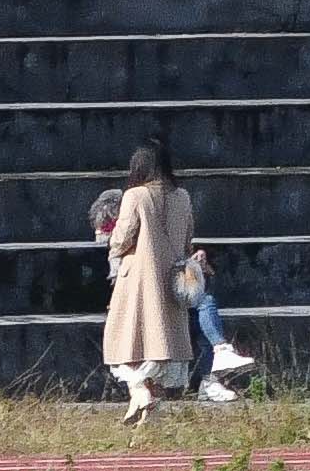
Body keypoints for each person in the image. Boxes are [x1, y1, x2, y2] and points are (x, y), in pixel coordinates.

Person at [90, 148, 248, 421]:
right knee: (160, 346)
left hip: (137, 281)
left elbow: (122, 238)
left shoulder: (135, 195)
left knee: (122, 342)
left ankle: (139, 392)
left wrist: (111, 241)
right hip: (172, 280)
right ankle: (151, 413)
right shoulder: (183, 197)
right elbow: (187, 239)